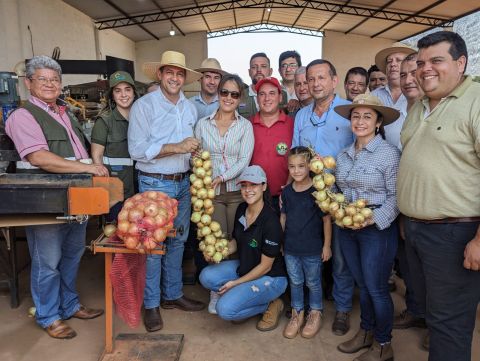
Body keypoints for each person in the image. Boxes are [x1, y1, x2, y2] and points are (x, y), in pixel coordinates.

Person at [5, 55, 107, 339]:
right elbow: (39, 157)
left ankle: (69, 304)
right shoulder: (22, 116)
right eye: (43, 79)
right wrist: (88, 167)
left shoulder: (64, 113)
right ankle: (49, 315)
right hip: (45, 200)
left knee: (73, 255)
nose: (50, 84)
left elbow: (79, 152)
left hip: (75, 198)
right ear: (28, 83)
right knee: (47, 260)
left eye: (55, 80)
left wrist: (91, 166)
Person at [397, 31, 480, 361]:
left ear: (460, 63)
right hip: (418, 231)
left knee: (449, 326)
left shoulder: (475, 100)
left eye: (436, 61)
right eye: (420, 63)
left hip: (455, 233)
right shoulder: (419, 106)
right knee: (433, 315)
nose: (425, 69)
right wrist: (409, 216)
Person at [128, 50, 205, 333]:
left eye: (180, 73)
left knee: (177, 242)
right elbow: (136, 150)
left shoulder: (189, 108)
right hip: (154, 183)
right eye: (169, 72)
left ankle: (172, 295)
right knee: (153, 245)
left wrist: (193, 154)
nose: (175, 78)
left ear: (185, 78)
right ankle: (151, 304)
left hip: (183, 182)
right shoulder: (144, 106)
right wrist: (177, 147)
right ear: (159, 75)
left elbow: (189, 146)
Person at [334, 94, 401, 361]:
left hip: (376, 228)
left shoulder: (389, 154)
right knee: (362, 284)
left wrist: (372, 219)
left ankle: (384, 344)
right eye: (356, 116)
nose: (360, 121)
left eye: (367, 116)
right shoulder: (343, 156)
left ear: (378, 122)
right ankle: (366, 332)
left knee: (376, 288)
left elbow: (397, 197)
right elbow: (338, 189)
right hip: (347, 227)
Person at [292, 59, 355, 336]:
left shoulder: (347, 112)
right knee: (309, 249)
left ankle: (341, 308)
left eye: (321, 78)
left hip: (339, 192)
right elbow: (295, 154)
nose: (315, 84)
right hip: (307, 193)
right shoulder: (302, 116)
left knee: (339, 255)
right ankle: (303, 306)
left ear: (333, 80)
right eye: (311, 79)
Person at [199, 165, 288, 331]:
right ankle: (244, 298)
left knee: (224, 310)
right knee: (206, 276)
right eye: (244, 186)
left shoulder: (271, 222)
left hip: (270, 277)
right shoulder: (241, 209)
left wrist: (235, 284)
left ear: (264, 186)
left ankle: (271, 304)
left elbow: (265, 266)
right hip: (247, 267)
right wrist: (218, 252)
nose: (248, 190)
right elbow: (235, 242)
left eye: (253, 185)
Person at [194, 74, 255, 312]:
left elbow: (244, 160)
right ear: (218, 94)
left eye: (234, 94)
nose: (228, 98)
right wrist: (199, 166)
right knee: (216, 243)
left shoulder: (245, 125)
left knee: (237, 242)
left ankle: (236, 288)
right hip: (211, 196)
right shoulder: (203, 124)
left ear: (240, 98)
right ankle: (216, 291)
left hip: (238, 192)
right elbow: (196, 156)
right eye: (224, 92)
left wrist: (220, 177)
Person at [393, 52, 428, 341]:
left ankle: (436, 327)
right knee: (410, 266)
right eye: (402, 75)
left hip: (439, 211)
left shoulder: (433, 109)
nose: (407, 80)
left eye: (412, 73)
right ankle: (417, 310)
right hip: (406, 205)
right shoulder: (407, 113)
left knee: (437, 274)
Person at [281, 146, 332, 339]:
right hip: (291, 248)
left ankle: (315, 312)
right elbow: (283, 218)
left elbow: (326, 220)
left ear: (310, 165)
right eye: (292, 167)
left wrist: (326, 246)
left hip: (312, 249)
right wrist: (281, 241)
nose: (296, 171)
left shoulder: (317, 191)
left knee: (313, 282)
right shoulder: (287, 192)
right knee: (295, 281)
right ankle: (297, 313)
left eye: (301, 166)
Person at [91, 71, 139, 221]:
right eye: (118, 91)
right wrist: (105, 190)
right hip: (116, 191)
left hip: (141, 187)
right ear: (112, 95)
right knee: (115, 233)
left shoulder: (142, 117)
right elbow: (96, 156)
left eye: (127, 89)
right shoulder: (104, 121)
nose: (123, 95)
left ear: (134, 92)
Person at [249, 77, 294, 213]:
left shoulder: (293, 124)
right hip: (254, 196)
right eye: (262, 94)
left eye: (272, 93)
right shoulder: (247, 124)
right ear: (257, 99)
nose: (267, 98)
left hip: (285, 195)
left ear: (280, 97)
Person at [372, 44, 416, 149]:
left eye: (398, 60)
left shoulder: (417, 94)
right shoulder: (373, 96)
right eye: (389, 61)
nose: (393, 64)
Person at [238, 52, 287, 120]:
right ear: (249, 72)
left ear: (270, 71)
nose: (259, 70)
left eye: (263, 66)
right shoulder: (239, 96)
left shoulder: (283, 95)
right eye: (254, 67)